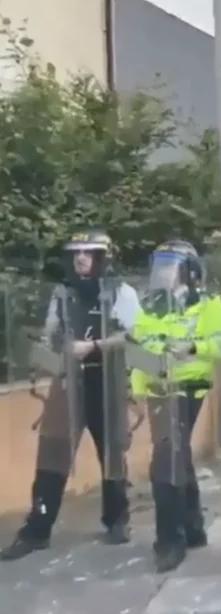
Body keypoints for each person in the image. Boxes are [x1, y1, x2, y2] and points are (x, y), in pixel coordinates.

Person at [1, 229, 141, 561]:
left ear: (103, 258)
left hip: (106, 379)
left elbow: (134, 336)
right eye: (76, 253)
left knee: (112, 453)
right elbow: (52, 335)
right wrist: (46, 348)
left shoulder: (121, 292)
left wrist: (92, 346)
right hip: (68, 382)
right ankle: (37, 528)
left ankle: (117, 519)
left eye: (88, 253)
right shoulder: (62, 294)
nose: (81, 258)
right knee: (52, 455)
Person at [126, 240, 221, 572]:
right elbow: (137, 349)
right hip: (158, 388)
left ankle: (169, 541)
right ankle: (193, 527)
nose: (163, 275)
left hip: (188, 387)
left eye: (170, 267)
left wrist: (193, 347)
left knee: (165, 461)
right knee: (177, 455)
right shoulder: (148, 307)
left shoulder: (206, 304)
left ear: (189, 273)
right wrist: (137, 390)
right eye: (159, 267)